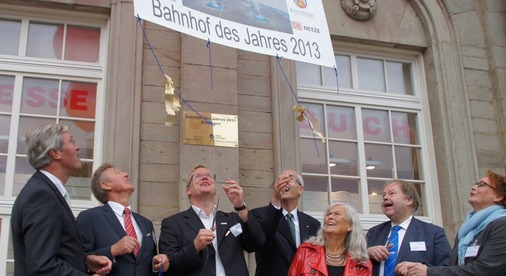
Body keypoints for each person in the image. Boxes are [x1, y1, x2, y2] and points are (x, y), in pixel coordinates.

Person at [11, 123, 112, 275]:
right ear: (55, 153)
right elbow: (42, 266)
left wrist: (85, 261)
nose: (78, 147)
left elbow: (51, 253)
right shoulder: (41, 195)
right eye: (71, 141)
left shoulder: (45, 190)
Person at [158, 165, 265, 276]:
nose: (205, 178)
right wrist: (195, 247)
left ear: (215, 189)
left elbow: (257, 244)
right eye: (198, 176)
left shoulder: (233, 219)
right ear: (188, 191)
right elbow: (168, 267)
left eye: (209, 176)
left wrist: (241, 207)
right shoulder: (172, 223)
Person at [396, 170, 506, 275]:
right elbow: (454, 267)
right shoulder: (468, 229)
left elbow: (485, 270)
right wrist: (417, 268)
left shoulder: (502, 225)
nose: (473, 187)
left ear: (499, 196)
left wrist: (428, 272)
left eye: (482, 184)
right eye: (476, 183)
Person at [76, 163, 170, 275]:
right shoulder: (89, 218)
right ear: (105, 185)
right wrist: (113, 250)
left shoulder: (146, 223)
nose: (126, 174)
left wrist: (157, 264)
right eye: (117, 172)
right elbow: (77, 259)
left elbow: (147, 263)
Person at [366, 179, 451, 276]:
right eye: (383, 195)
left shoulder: (433, 233)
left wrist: (424, 271)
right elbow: (352, 261)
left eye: (392, 193)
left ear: (409, 200)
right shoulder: (374, 232)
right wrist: (367, 253)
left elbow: (446, 268)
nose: (385, 197)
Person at [251, 170, 321, 275]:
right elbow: (261, 242)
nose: (284, 182)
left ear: (301, 190)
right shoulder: (259, 215)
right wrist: (275, 200)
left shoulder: (313, 224)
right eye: (280, 180)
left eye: (291, 178)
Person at [288, 203, 372, 276]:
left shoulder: (362, 264)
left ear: (350, 226)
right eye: (328, 214)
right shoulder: (306, 251)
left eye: (337, 214)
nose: (330, 217)